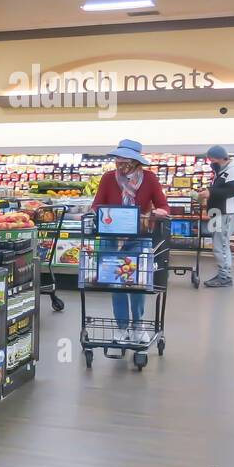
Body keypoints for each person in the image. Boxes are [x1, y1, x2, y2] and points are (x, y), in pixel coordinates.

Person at [91, 139, 169, 340]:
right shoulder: (108, 178)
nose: (120, 164)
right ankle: (122, 326)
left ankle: (138, 325)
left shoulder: (149, 179)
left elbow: (163, 206)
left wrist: (156, 213)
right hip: (111, 237)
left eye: (125, 161)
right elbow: (97, 204)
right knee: (117, 283)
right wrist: (100, 214)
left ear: (136, 162)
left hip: (138, 238)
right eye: (118, 160)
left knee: (136, 283)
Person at [200, 145, 234, 288]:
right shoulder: (223, 171)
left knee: (222, 244)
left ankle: (225, 277)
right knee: (218, 244)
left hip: (227, 213)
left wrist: (210, 192)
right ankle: (222, 274)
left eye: (211, 159)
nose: (211, 162)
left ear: (217, 158)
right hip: (218, 213)